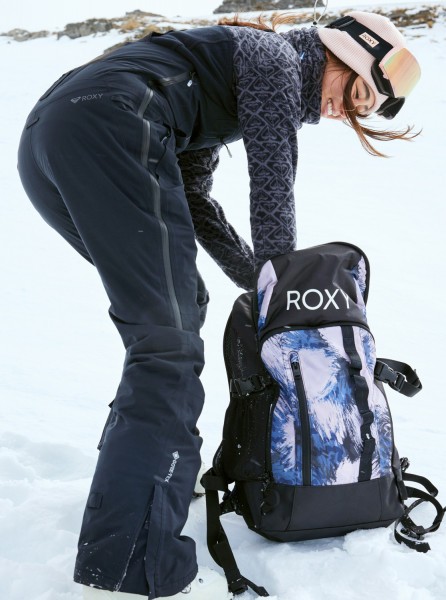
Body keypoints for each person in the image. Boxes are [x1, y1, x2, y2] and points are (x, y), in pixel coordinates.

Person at [17, 9, 421, 600]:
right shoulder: (278, 61)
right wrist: (285, 300)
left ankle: (140, 488)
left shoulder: (229, 71)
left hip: (55, 139)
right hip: (111, 125)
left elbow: (195, 201)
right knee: (168, 341)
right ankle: (133, 563)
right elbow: (272, 188)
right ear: (343, 54)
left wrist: (262, 289)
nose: (344, 112)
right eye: (356, 94)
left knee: (172, 316)